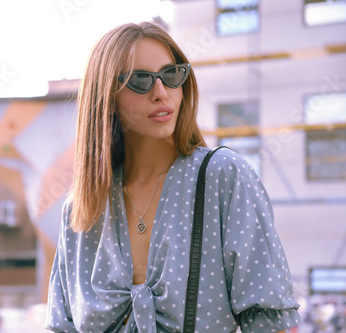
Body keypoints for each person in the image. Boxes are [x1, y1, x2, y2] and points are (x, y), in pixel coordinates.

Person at [45, 22, 300, 332]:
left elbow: (266, 320)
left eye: (171, 75)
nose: (161, 93)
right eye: (140, 80)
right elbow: (62, 326)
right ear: (107, 96)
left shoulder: (222, 177)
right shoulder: (81, 211)